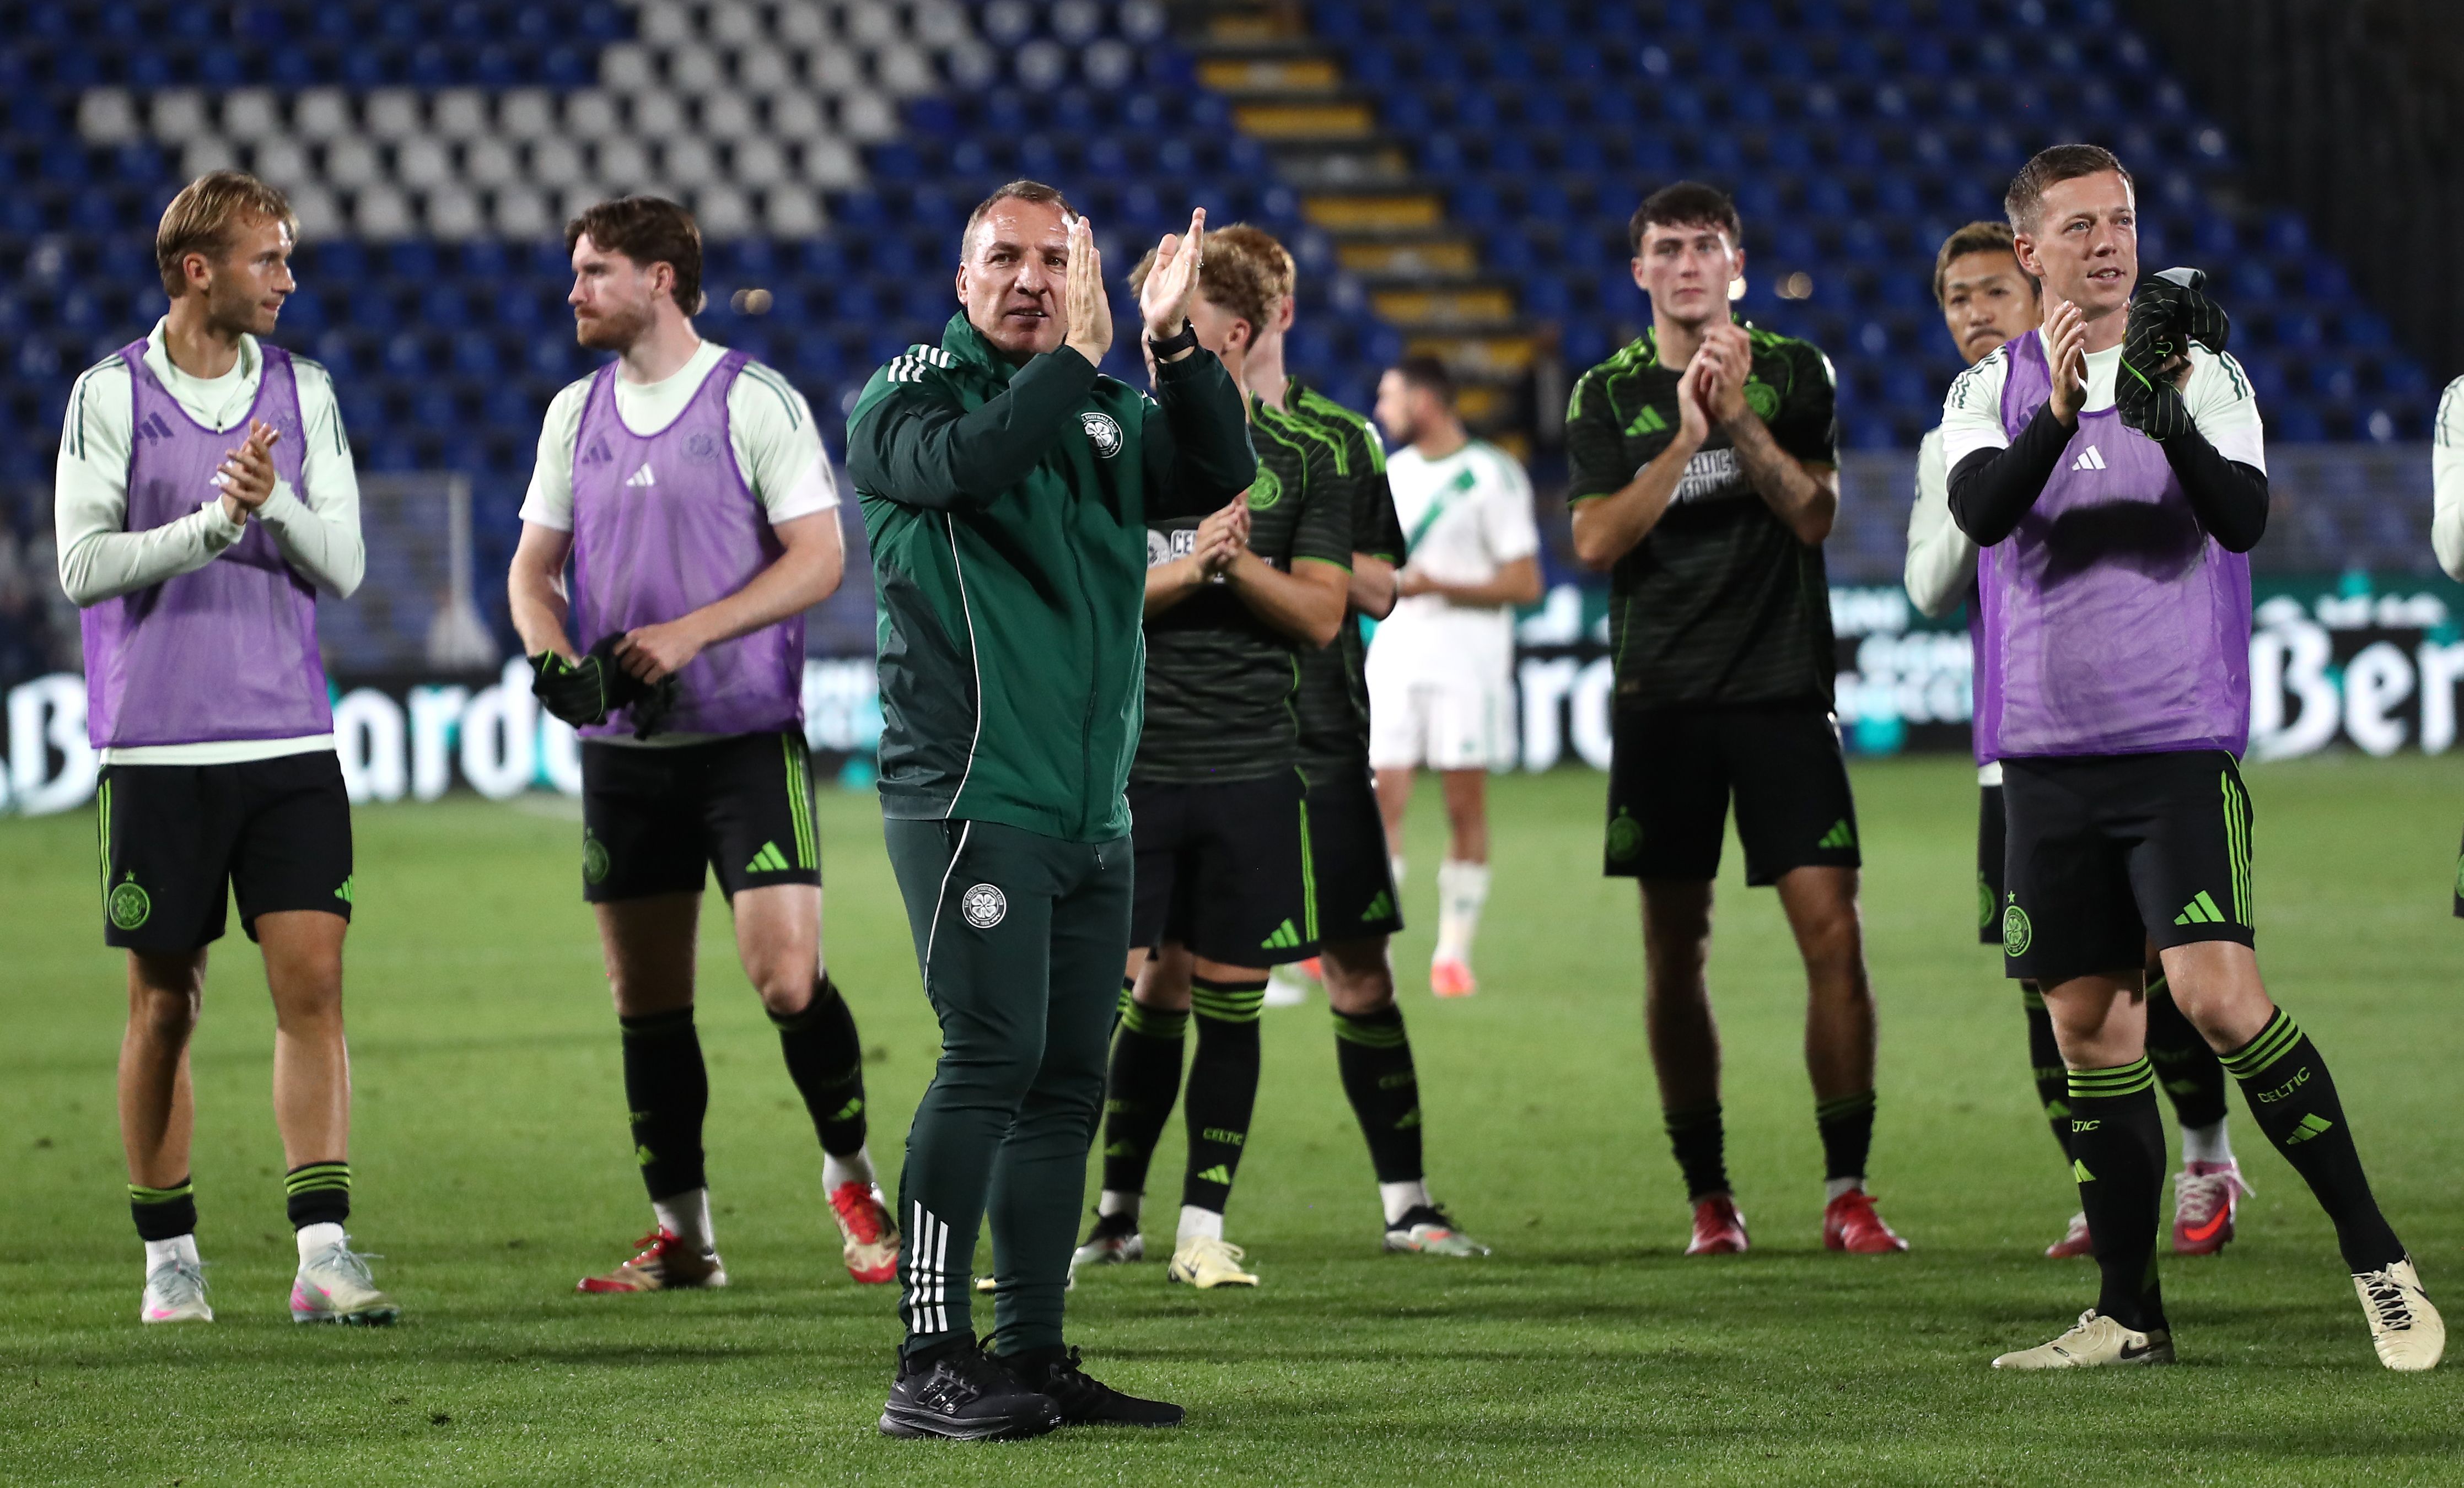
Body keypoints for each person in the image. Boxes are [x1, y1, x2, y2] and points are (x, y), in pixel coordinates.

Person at [1947, 144, 2441, 1371]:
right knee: (2090, 1032)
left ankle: (2378, 1258)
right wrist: (2065, 413)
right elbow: (1983, 514)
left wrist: (2161, 416)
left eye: (2121, 220)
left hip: (2173, 740)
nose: (2110, 241)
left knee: (2218, 997)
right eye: (2080, 225)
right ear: (2031, 251)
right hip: (2047, 755)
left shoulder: (2204, 371)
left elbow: (2241, 516)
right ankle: (2127, 1314)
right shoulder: (1992, 388)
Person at [847, 181, 1254, 1438]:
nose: (1028, 278)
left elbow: (1212, 470)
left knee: (1068, 1075)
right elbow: (975, 462)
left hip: (1090, 808)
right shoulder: (909, 397)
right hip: (972, 792)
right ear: (961, 279)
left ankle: (1028, 1352)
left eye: (1051, 257)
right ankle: (929, 1357)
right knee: (990, 1055)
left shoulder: (1098, 407)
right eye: (1002, 259)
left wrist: (1171, 347)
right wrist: (1080, 358)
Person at [505, 196, 897, 1298]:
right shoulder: (570, 415)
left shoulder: (751, 398)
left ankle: (854, 1181)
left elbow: (819, 558)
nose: (574, 291)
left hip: (743, 740)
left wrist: (689, 634)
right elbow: (533, 572)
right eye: (574, 272)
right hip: (625, 753)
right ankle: (684, 1236)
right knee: (647, 1002)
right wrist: (551, 662)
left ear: (663, 279)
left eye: (594, 272)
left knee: (784, 979)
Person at [57, 171, 389, 1325]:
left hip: (290, 737)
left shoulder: (307, 391)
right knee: (165, 1005)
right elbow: (82, 566)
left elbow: (342, 566)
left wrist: (274, 504)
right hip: (156, 750)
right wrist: (212, 525)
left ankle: (324, 1249)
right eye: (270, 261)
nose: (289, 281)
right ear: (200, 271)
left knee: (315, 985)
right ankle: (169, 1256)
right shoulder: (110, 395)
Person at [1564, 181, 1906, 1257]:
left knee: (1834, 931)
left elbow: (1813, 515)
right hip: (1663, 703)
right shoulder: (1606, 396)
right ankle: (1709, 1197)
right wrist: (1681, 441)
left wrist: (1741, 418)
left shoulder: (1796, 372)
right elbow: (1593, 544)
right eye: (1666, 249)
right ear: (1641, 273)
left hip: (1780, 694)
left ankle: (1847, 1189)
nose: (1685, 265)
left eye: (1705, 247)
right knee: (1676, 952)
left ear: (1736, 267)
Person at [1906, 222, 2247, 1262]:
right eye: (1955, 298)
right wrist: (2008, 474)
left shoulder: (2148, 389)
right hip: (2020, 747)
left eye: (1992, 293)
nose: (1974, 314)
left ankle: (2205, 1154)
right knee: (2045, 981)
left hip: (2141, 732)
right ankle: (2095, 1193)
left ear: (2041, 291)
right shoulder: (1960, 427)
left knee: (2167, 965)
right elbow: (1928, 584)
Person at [1080, 225, 1354, 1293]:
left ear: (1231, 334)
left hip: (1250, 768)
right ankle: (1102, 1213)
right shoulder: (1122, 447)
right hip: (1129, 768)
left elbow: (1324, 617)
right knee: (1110, 1000)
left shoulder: (1308, 460)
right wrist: (1199, 571)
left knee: (1232, 998)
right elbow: (1096, 601)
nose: (1156, 345)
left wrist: (1236, 574)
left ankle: (1201, 1228)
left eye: (1178, 323)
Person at [1367, 354, 1543, 999]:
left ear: (1426, 402)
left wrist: (1437, 583)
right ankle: (1375, 952)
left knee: (1463, 806)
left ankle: (1452, 952)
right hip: (1395, 656)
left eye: (1391, 397)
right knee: (1382, 801)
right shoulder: (1391, 472)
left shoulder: (1492, 475)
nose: (1382, 411)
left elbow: (1525, 582)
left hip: (1468, 665)